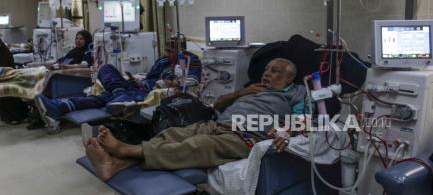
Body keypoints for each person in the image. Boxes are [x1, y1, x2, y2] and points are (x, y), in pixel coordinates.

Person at [84, 58, 308, 181]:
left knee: (199, 146)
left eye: (276, 71)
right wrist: (240, 93)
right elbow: (217, 105)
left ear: (290, 77)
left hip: (247, 135)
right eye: (267, 69)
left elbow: (303, 120)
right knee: (172, 134)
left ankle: (126, 151)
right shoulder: (252, 88)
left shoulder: (298, 93)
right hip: (218, 123)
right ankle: (116, 164)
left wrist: (286, 133)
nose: (267, 73)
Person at [33, 38, 202, 129]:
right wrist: (136, 79)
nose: (167, 53)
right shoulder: (162, 60)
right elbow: (150, 76)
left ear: (181, 50)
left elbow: (192, 81)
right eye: (166, 49)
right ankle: (119, 95)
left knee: (103, 97)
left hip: (148, 94)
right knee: (106, 68)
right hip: (138, 86)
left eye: (171, 50)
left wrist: (166, 82)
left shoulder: (189, 60)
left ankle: (59, 107)